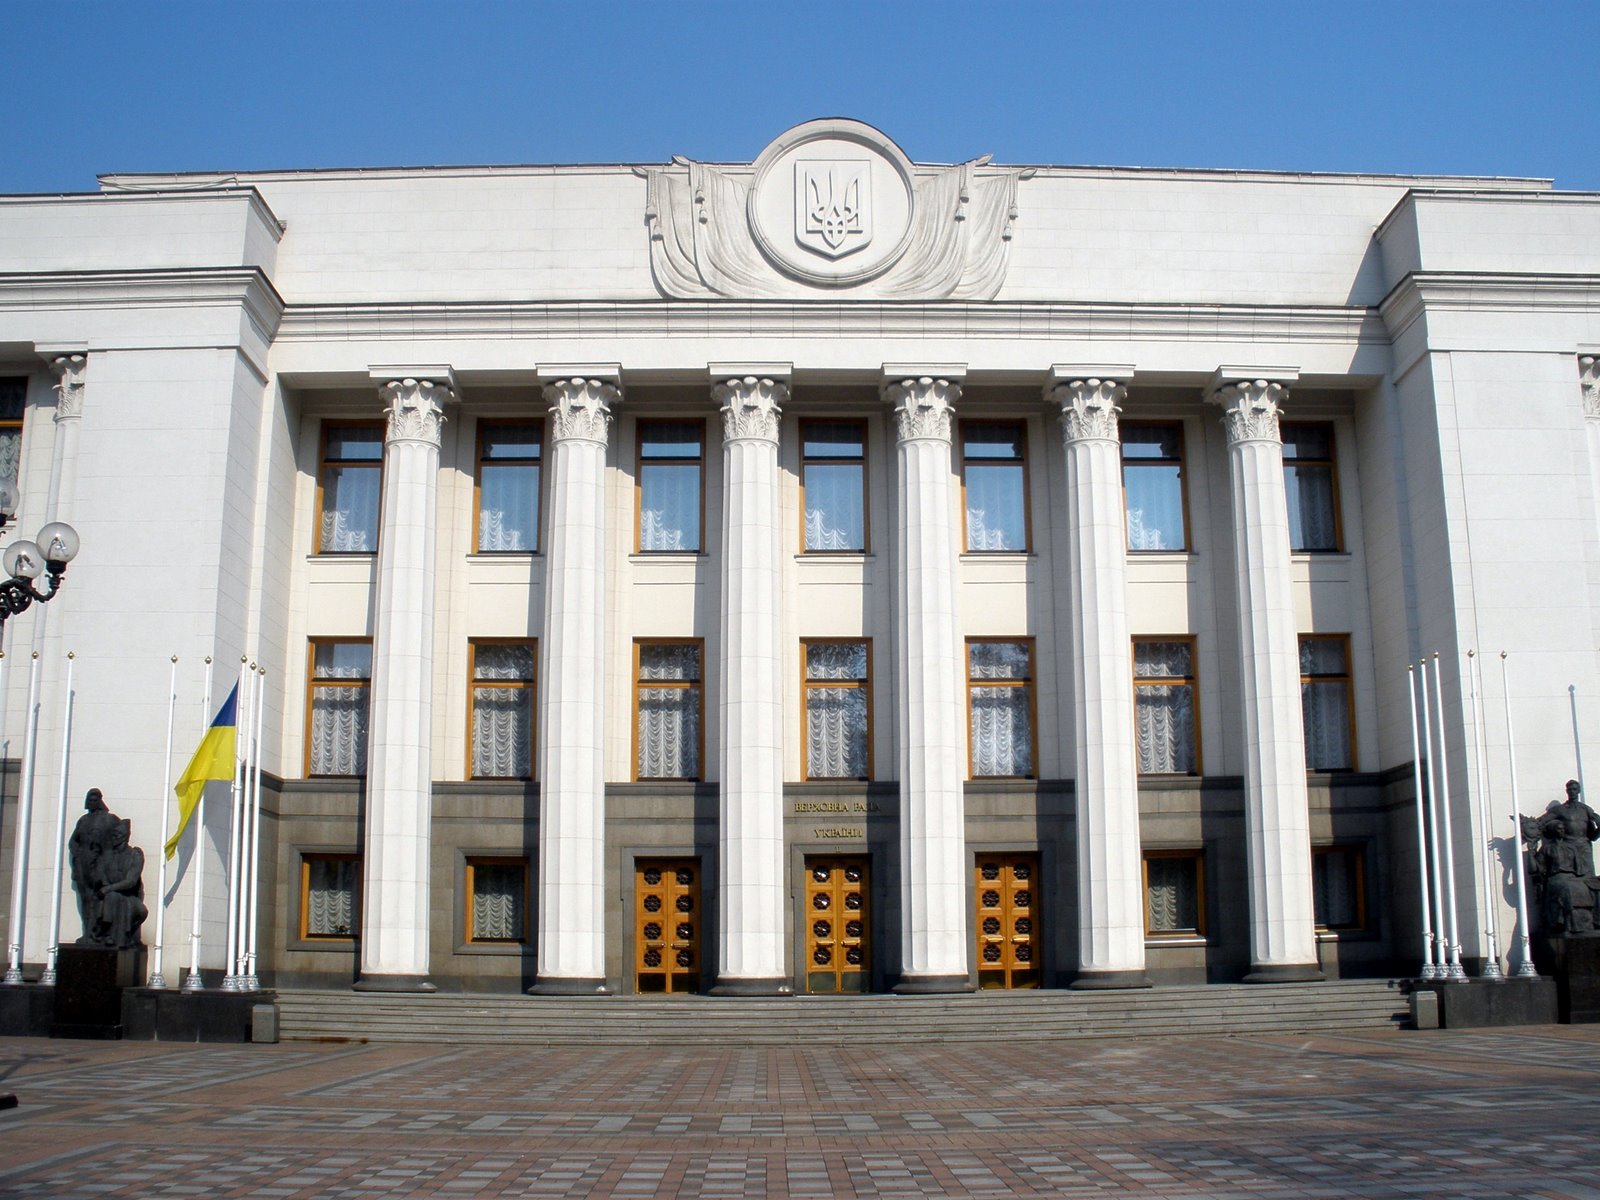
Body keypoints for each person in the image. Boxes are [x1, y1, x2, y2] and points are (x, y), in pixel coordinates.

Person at [1523, 779, 1600, 934]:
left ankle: (1593, 922)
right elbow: (1541, 822)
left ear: (1579, 791)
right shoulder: (1560, 810)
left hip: (1584, 851)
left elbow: (1592, 836)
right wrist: (1528, 828)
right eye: (1570, 789)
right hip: (1567, 848)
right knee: (1571, 886)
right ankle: (1569, 922)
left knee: (1591, 886)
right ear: (1567, 791)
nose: (1572, 792)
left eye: (1575, 789)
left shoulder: (1586, 810)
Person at [68, 788, 116, 943]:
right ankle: (87, 932)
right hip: (82, 864)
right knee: (85, 899)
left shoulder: (109, 819)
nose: (92, 803)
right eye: (90, 800)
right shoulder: (83, 820)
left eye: (95, 800)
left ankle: (97, 933)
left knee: (98, 898)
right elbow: (73, 841)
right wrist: (79, 854)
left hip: (99, 864)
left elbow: (118, 838)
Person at [92, 819, 148, 950]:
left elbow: (131, 881)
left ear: (124, 837)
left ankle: (115, 935)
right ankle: (109, 934)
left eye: (116, 836)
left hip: (129, 896)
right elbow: (100, 874)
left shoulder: (135, 855)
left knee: (137, 909)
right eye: (113, 835)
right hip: (109, 896)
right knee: (113, 897)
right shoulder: (107, 855)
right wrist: (106, 885)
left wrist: (109, 888)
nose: (113, 838)